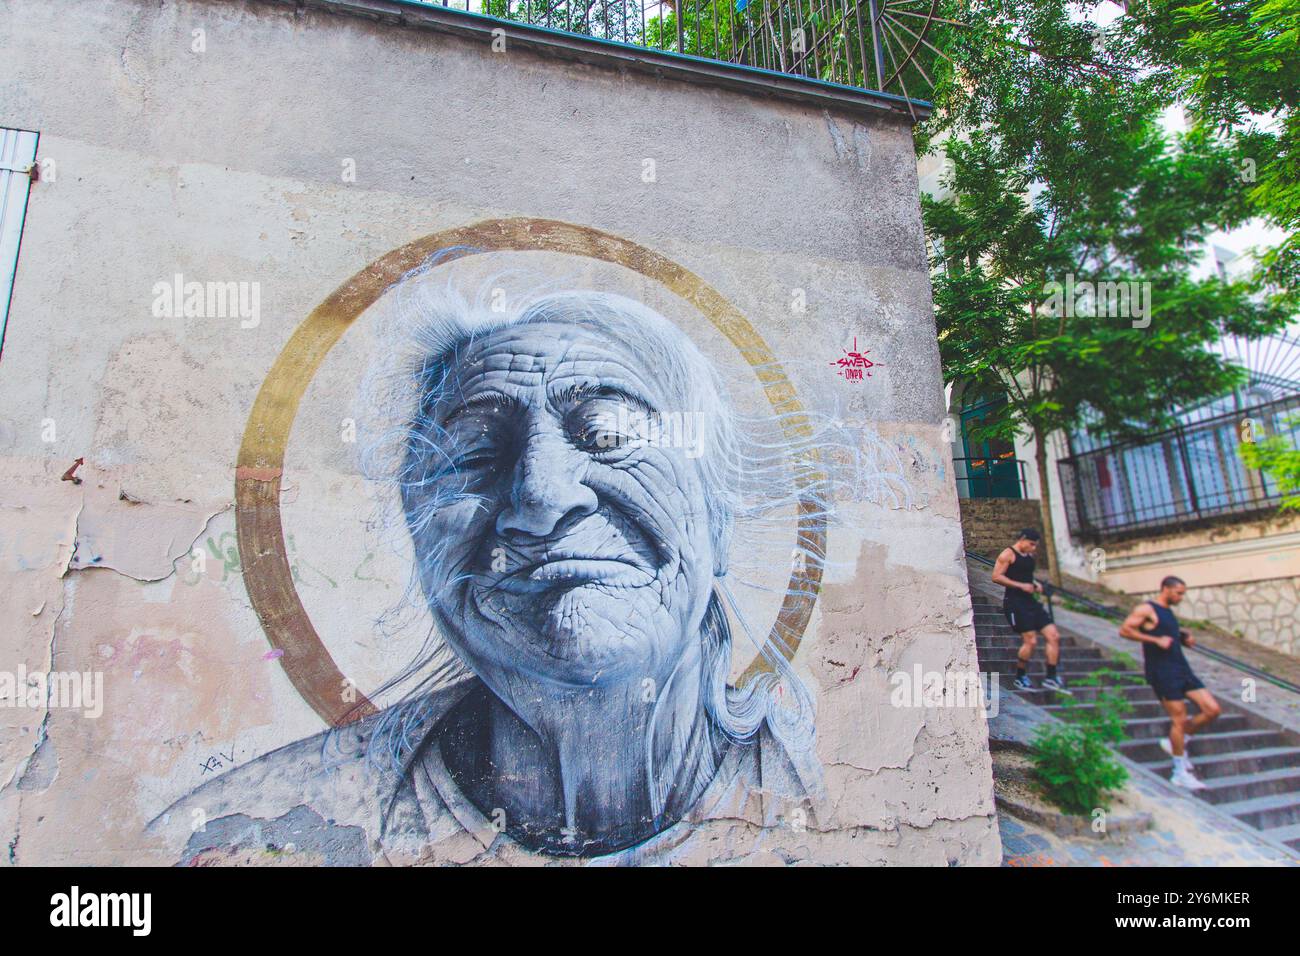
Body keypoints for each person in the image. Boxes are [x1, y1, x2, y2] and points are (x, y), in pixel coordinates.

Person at [1119, 576, 1221, 790]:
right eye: (1178, 593)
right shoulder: (1147, 609)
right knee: (1179, 719)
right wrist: (1155, 640)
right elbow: (1125, 630)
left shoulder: (1167, 611)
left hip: (1181, 668)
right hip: (1162, 672)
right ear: (1165, 589)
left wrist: (1182, 636)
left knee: (1212, 709)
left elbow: (1165, 632)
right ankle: (1179, 772)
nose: (1181, 597)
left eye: (1183, 593)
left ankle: (1176, 742)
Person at [991, 529, 1067, 692]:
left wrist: (1035, 584)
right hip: (1015, 602)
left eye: (1035, 546)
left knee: (1053, 635)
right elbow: (996, 576)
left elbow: (1024, 575)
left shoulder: (1029, 556)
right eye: (1031, 544)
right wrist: (1021, 585)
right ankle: (1020, 676)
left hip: (1030, 601)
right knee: (1030, 641)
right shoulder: (1008, 554)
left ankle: (1051, 677)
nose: (1033, 548)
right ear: (1023, 539)